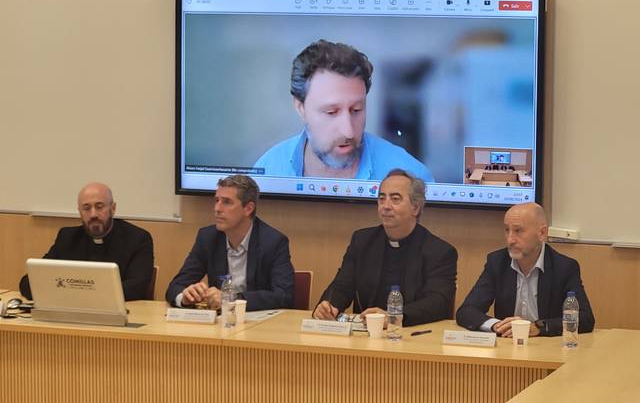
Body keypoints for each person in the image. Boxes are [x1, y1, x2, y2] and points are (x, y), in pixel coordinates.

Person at [254, 40, 434, 182]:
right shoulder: (267, 171)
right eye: (331, 112)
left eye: (356, 110)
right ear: (301, 107)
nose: (348, 131)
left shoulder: (412, 177)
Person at [312, 169, 457, 326]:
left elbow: (438, 303)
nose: (385, 206)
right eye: (382, 199)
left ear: (415, 207)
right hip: (364, 335)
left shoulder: (439, 251)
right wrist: (329, 306)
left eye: (395, 199)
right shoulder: (362, 241)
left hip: (413, 336)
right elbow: (342, 286)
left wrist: (394, 317)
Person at [456, 202, 595, 337]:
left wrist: (539, 327)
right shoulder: (497, 262)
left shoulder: (564, 267)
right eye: (507, 230)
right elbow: (467, 311)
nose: (510, 239)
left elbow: (585, 319)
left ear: (542, 233)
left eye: (518, 231)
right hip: (507, 347)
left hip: (547, 348)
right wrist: (497, 326)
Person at [166, 175, 294, 311]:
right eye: (216, 200)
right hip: (219, 323)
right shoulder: (208, 238)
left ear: (248, 208)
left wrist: (232, 299)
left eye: (226, 202)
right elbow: (175, 287)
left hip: (257, 324)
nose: (217, 208)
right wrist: (185, 297)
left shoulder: (273, 242)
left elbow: (284, 296)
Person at [19, 182, 154, 301]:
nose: (93, 214)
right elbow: (30, 281)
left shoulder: (138, 238)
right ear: (80, 212)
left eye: (99, 206)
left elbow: (137, 287)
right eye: (87, 208)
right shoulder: (67, 238)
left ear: (113, 208)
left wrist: (75, 293)